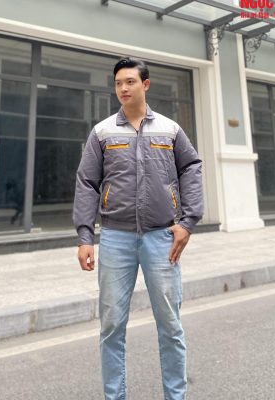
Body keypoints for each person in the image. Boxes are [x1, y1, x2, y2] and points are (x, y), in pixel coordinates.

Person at [73, 57, 203, 400]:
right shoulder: (103, 132)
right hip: (115, 238)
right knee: (111, 325)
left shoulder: (170, 129)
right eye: (118, 83)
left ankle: (176, 396)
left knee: (170, 325)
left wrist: (188, 222)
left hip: (162, 237)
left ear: (145, 84)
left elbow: (191, 167)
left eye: (130, 82)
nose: (123, 88)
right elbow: (87, 183)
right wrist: (85, 236)